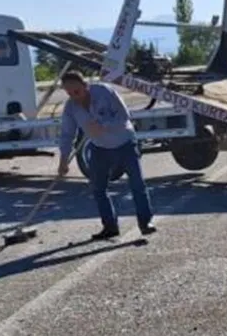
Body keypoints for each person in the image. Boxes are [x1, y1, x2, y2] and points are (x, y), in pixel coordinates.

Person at [57, 71, 156, 240]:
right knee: (98, 188)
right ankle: (110, 227)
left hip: (125, 143)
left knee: (137, 184)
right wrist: (63, 161)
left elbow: (124, 116)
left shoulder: (105, 92)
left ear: (85, 86)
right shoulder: (71, 108)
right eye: (69, 93)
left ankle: (145, 222)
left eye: (77, 92)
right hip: (100, 148)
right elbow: (67, 135)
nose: (75, 97)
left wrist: (103, 126)